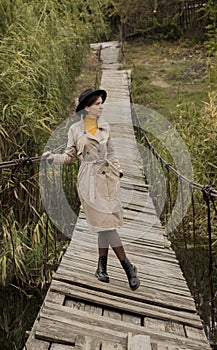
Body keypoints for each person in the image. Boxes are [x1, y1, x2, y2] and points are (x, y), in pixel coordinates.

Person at [43, 88, 140, 291]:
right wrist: (54, 158)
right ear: (86, 108)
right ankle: (128, 267)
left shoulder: (105, 126)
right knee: (106, 225)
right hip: (89, 181)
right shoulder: (74, 130)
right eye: (97, 104)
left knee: (103, 225)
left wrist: (118, 171)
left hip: (109, 180)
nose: (101, 106)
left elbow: (111, 152)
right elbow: (69, 157)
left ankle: (101, 267)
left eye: (101, 103)